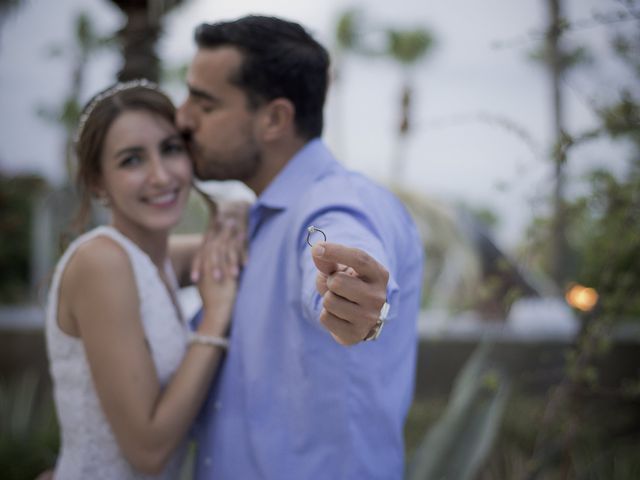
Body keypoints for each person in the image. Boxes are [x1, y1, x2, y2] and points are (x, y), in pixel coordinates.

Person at [177, 15, 424, 479]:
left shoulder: (338, 203)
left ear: (273, 118)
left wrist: (355, 297)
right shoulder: (258, 222)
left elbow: (339, 243)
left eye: (204, 105)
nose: (182, 118)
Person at [45, 80, 242, 479]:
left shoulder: (156, 260)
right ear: (99, 182)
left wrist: (237, 210)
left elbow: (229, 239)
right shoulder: (102, 262)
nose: (160, 176)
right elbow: (148, 452)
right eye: (132, 160)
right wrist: (216, 317)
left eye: (171, 150)